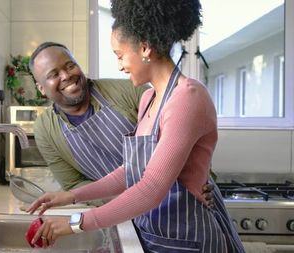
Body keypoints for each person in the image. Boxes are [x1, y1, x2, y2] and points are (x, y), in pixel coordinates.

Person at [27, 1, 245, 252]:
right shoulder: (148, 99)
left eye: (120, 55)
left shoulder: (188, 97)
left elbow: (151, 186)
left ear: (144, 48)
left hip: (190, 237)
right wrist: (72, 196)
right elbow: (129, 171)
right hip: (154, 233)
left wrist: (76, 223)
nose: (119, 66)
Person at [30, 41, 213, 207]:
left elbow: (185, 131)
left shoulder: (132, 91)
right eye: (53, 74)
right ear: (41, 89)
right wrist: (123, 201)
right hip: (121, 215)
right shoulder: (45, 130)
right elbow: (73, 183)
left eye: (70, 66)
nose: (66, 75)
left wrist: (199, 175)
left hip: (180, 202)